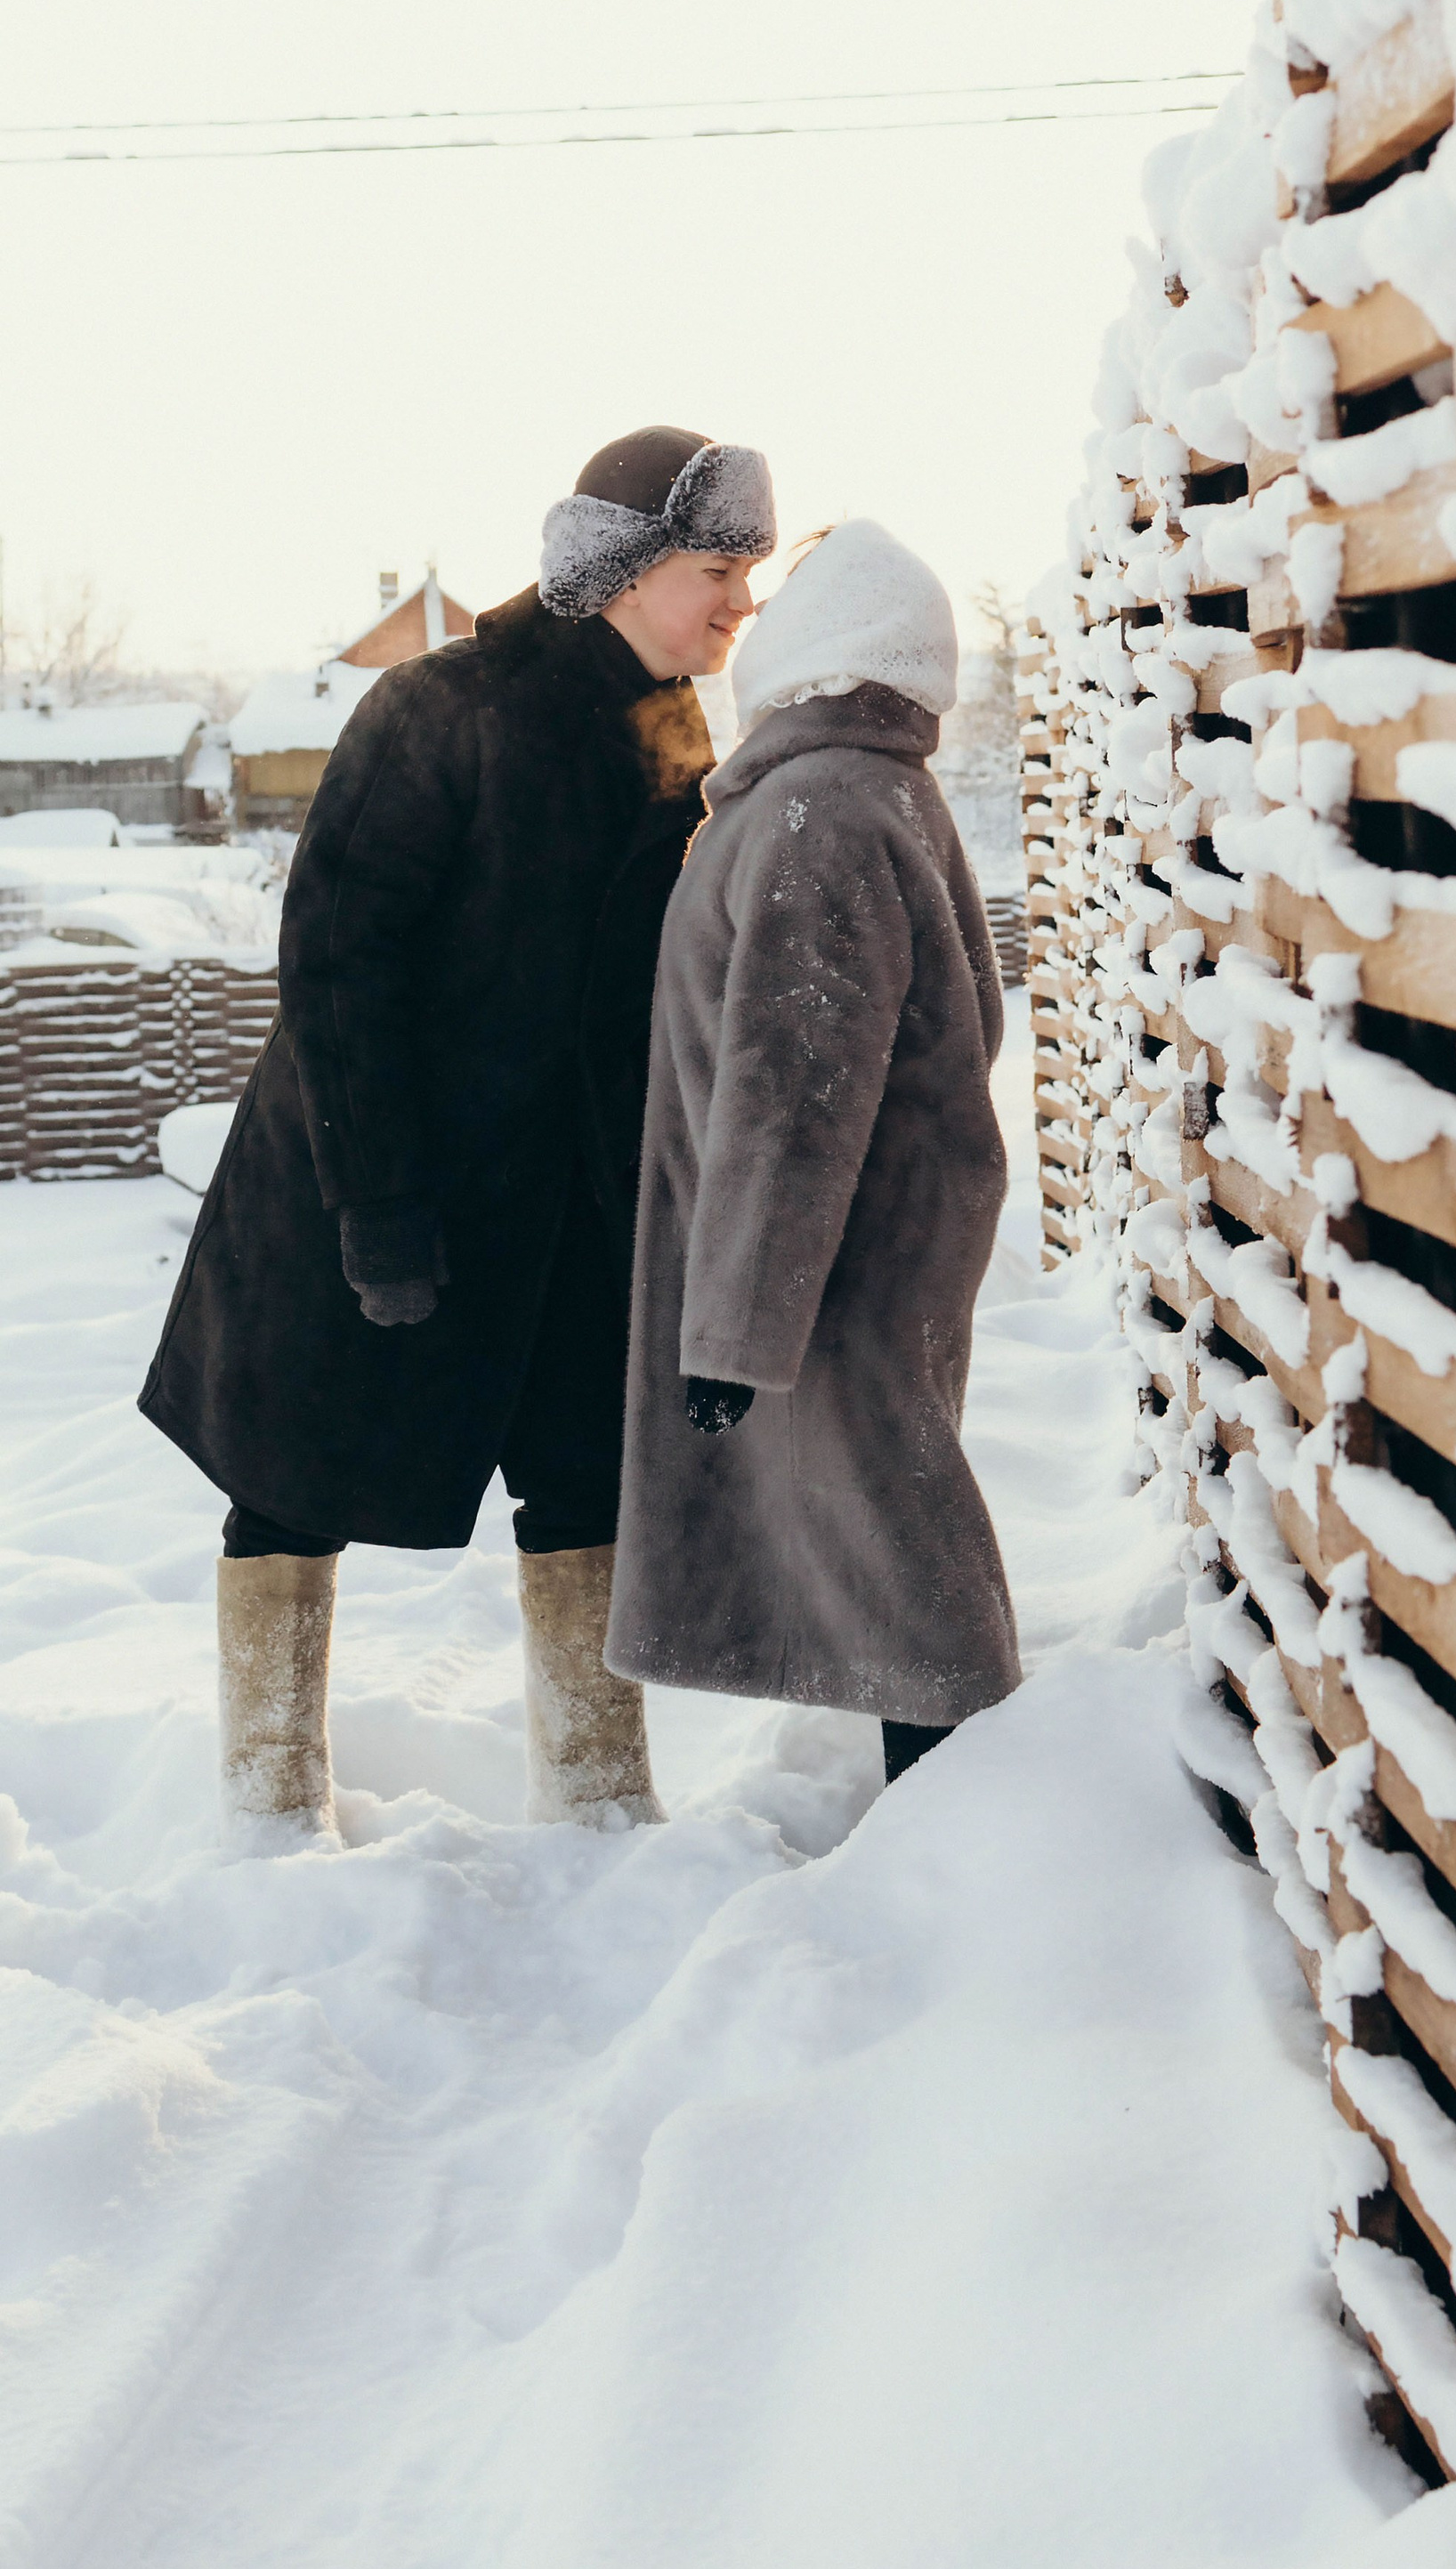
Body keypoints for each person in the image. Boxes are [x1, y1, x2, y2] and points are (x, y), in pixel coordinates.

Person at [141, 425, 778, 1842]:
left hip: (566, 1198)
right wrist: (377, 1202)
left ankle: (603, 1799)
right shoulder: (441, 706)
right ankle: (265, 1799)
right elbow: (337, 960)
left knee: (584, 1474)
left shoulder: (678, 732)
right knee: (293, 1474)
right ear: (624, 568)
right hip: (370, 1168)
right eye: (719, 569)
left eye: (755, 571)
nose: (742, 602)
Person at [604, 518, 1018, 1779]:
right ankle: (959, 1804)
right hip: (859, 1241)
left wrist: (735, 1325)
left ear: (821, 643)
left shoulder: (816, 811)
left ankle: (981, 1814)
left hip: (824, 1262)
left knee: (899, 1541)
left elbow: (795, 1094)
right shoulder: (877, 787)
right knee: (883, 1523)